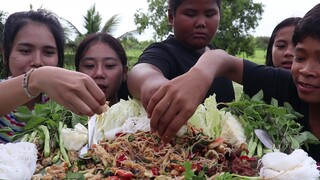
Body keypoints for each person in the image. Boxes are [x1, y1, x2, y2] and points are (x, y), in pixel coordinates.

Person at [145, 3, 320, 162]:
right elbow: (222, 60)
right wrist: (200, 74)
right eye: (300, 57)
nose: (306, 70)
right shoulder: (285, 84)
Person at [0, 9, 106, 143]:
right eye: (25, 51)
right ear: (5, 54)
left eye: (48, 52)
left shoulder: (66, 103)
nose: (37, 61)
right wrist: (36, 78)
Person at [127, 0, 235, 111]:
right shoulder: (164, 51)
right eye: (190, 14)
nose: (201, 23)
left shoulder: (222, 59)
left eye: (209, 14)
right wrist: (153, 85)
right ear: (171, 17)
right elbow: (141, 71)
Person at [74, 32, 129, 106]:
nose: (99, 73)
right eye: (89, 65)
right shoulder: (63, 116)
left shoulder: (141, 116)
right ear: (77, 72)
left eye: (109, 65)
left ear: (124, 73)